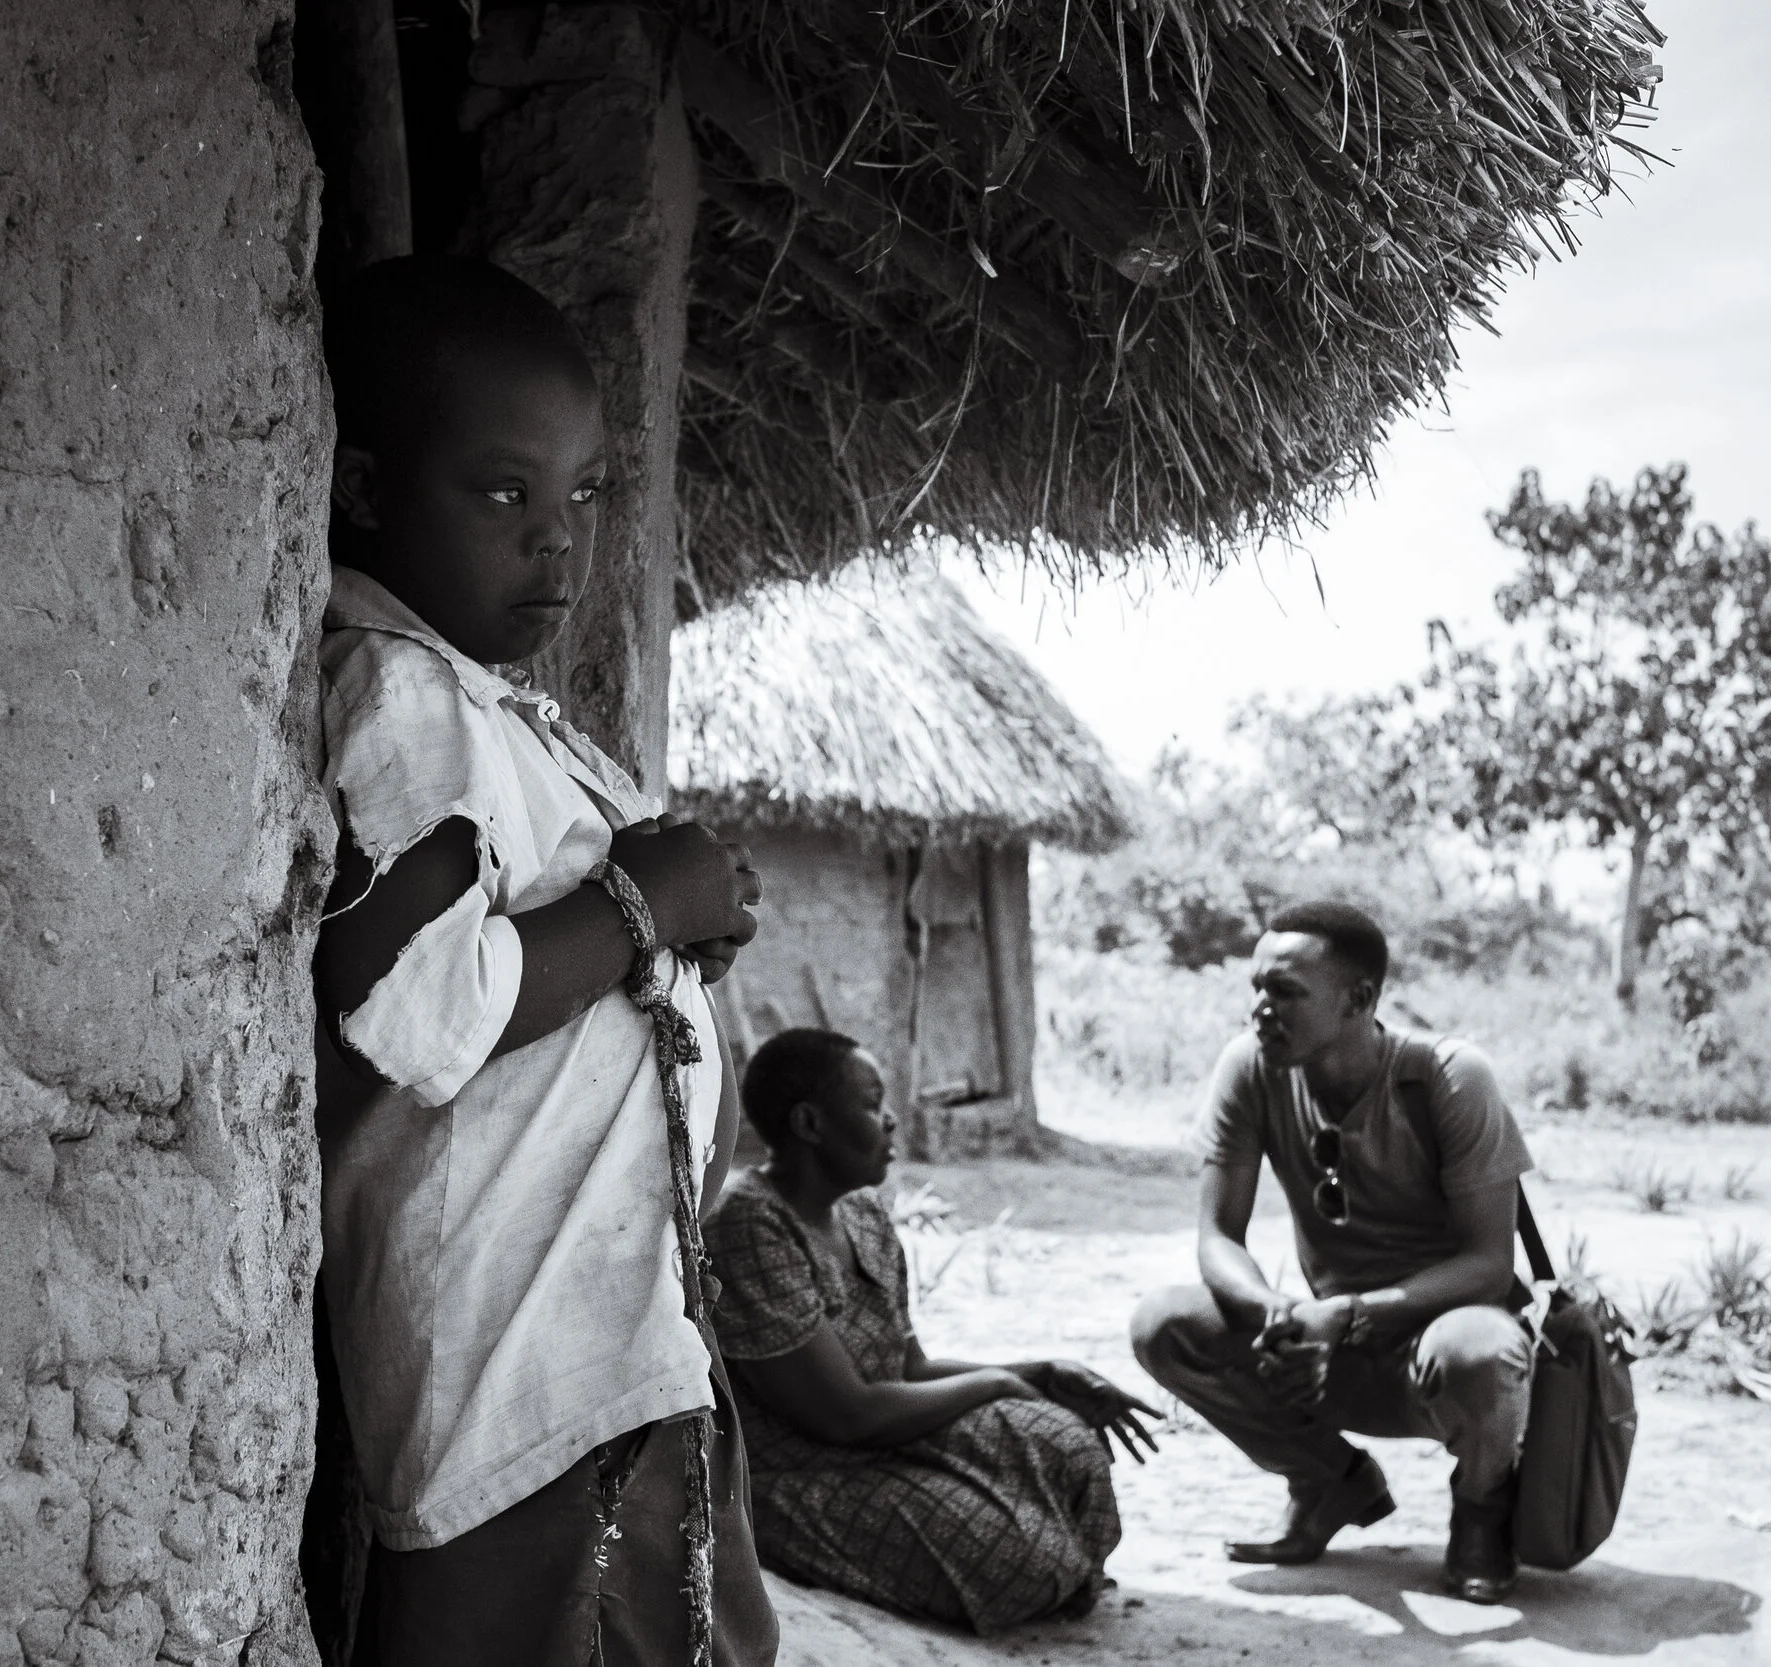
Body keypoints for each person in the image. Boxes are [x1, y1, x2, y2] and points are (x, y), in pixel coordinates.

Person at [310, 254, 776, 1666]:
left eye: (581, 495)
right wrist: (644, 899)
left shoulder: (499, 713)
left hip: (616, 1334)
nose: (559, 544)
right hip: (517, 1367)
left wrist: (689, 911)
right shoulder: (400, 692)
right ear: (372, 489)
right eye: (505, 492)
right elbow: (414, 1000)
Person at [1129, 901, 1536, 1604]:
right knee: (1165, 1323)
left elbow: (1489, 1264)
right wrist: (1277, 1312)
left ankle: (1482, 1507)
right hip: (1324, 1349)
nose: (1262, 1008)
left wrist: (1343, 1315)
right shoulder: (1251, 1069)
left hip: (1437, 1351)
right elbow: (1217, 1235)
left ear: (1359, 1000)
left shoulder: (1448, 1077)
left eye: (1285, 991)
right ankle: (1328, 1481)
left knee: (1482, 1351)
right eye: (1257, 987)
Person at [704, 1028, 1157, 1633]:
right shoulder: (748, 1224)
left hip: (886, 1438)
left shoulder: (861, 1212)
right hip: (796, 1474)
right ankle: (1051, 1577)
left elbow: (909, 1370)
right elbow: (849, 1416)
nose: (891, 1120)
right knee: (1013, 1552)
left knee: (1066, 1444)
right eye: (871, 1103)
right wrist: (998, 1382)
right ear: (810, 1124)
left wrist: (1038, 1375)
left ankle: (1060, 1575)